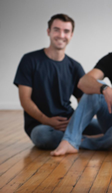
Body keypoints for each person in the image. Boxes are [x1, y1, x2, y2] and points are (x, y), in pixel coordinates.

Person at [51, 18, 112, 156]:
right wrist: (106, 89)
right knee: (98, 87)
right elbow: (83, 82)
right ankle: (70, 141)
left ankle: (84, 141)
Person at [13, 14, 101, 150]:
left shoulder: (75, 66)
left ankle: (74, 140)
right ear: (48, 32)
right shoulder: (29, 60)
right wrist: (46, 120)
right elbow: (25, 100)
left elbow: (84, 101)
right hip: (41, 125)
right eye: (56, 30)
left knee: (105, 128)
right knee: (42, 136)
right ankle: (91, 142)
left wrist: (75, 121)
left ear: (71, 35)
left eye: (66, 31)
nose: (61, 35)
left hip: (69, 122)